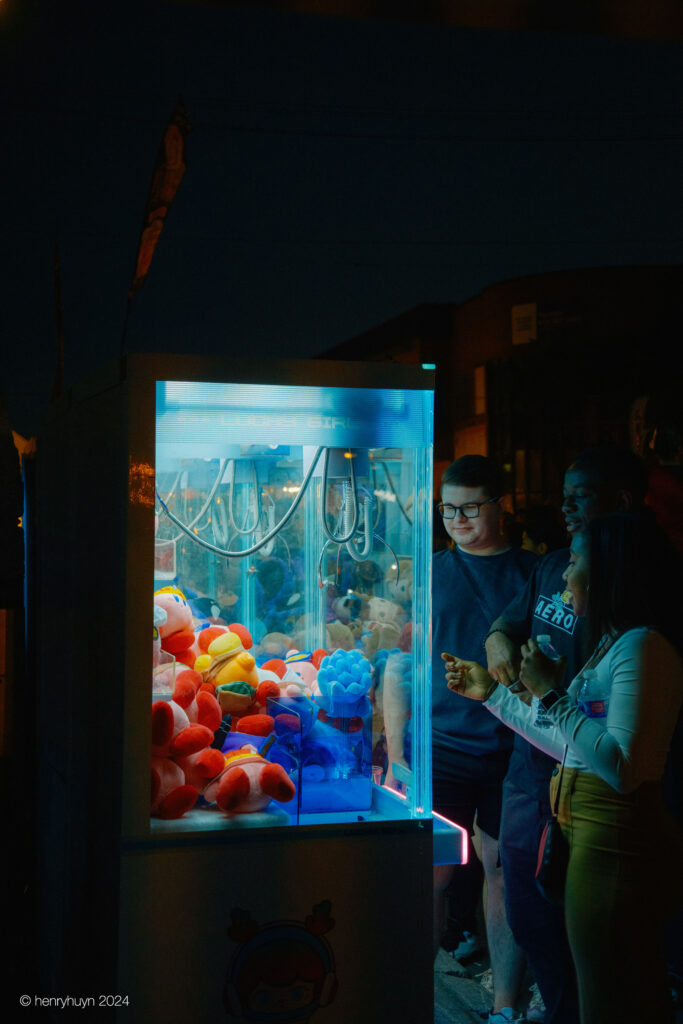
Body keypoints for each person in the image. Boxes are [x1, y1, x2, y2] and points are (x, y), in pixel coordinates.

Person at [444, 512, 683, 1024]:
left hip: (615, 836)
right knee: (600, 976)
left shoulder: (643, 648)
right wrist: (491, 694)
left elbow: (619, 766)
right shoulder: (612, 644)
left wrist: (551, 692)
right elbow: (567, 744)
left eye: (574, 561)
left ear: (607, 573)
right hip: (587, 829)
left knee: (612, 989)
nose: (564, 574)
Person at [483, 445, 648, 1024]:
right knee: (531, 915)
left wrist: (547, 693)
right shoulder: (554, 565)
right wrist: (497, 652)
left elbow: (619, 756)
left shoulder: (636, 628)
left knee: (594, 947)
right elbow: (509, 621)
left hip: (589, 795)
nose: (563, 506)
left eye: (579, 495)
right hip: (535, 772)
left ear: (621, 502)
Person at [432, 455, 537, 1024]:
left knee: (504, 868)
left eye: (470, 507)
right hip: (442, 743)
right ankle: (410, 990)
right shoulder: (430, 571)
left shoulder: (535, 573)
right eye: (448, 508)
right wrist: (397, 748)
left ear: (501, 505)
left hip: (515, 745)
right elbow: (403, 662)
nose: (457, 519)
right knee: (436, 867)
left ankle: (505, 1005)